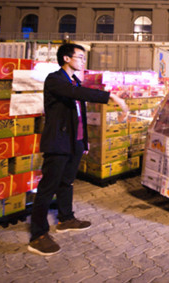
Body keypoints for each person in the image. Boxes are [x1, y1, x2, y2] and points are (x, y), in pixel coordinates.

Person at [28, 43, 128, 256]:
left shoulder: (74, 81)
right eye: (80, 57)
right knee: (47, 187)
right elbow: (77, 94)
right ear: (66, 58)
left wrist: (84, 142)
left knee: (67, 182)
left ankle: (65, 219)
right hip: (59, 142)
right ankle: (38, 235)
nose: (83, 61)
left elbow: (80, 115)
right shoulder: (55, 80)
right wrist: (112, 97)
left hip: (75, 141)